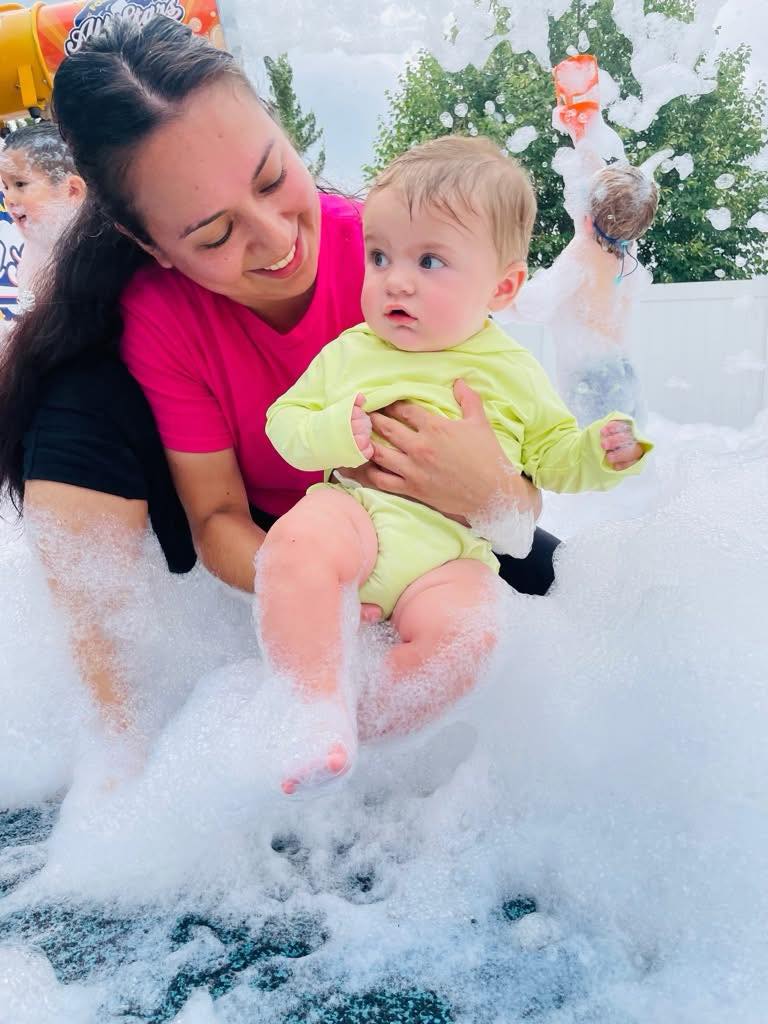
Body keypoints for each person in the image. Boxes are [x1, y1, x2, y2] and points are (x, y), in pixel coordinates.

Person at [0, 16, 558, 760]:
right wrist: (303, 590)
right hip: (283, 542)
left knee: (556, 599)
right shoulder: (158, 319)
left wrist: (491, 490)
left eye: (272, 178)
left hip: (435, 530)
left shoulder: (400, 257)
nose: (275, 239)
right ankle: (120, 750)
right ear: (149, 245)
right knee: (72, 400)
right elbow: (219, 513)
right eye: (212, 235)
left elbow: (522, 477)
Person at [257, 136, 652, 795]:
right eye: (379, 256)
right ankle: (311, 703)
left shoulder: (514, 372)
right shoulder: (353, 350)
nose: (396, 279)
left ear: (502, 285)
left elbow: (552, 457)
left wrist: (601, 454)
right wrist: (334, 431)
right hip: (354, 519)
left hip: (446, 559)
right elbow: (283, 425)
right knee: (298, 542)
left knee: (474, 634)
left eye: (430, 260)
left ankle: (359, 727)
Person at [514, 162, 658, 428]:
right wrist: (582, 137)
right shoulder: (627, 249)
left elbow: (532, 305)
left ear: (587, 220)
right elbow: (611, 200)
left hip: (589, 384)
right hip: (623, 374)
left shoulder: (581, 255)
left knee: (586, 456)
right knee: (624, 458)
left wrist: (494, 291)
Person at [0, 121, 86, 313]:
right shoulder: (33, 249)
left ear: (72, 190)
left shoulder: (95, 255)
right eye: (5, 186)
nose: (9, 199)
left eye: (20, 184)